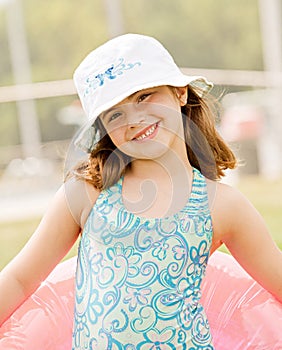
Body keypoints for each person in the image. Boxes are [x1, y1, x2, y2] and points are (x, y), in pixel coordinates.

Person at [0, 33, 281, 349]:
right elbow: (19, 280)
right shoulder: (86, 195)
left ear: (179, 92)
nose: (134, 119)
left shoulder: (222, 205)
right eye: (115, 113)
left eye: (145, 96)